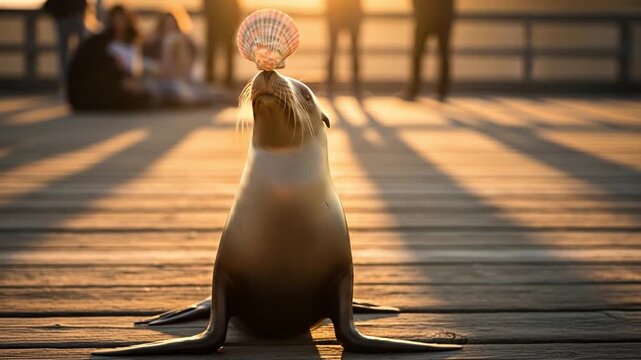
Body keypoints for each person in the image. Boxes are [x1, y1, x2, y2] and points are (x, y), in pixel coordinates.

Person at [67, 5, 151, 110]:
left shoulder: (131, 45)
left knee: (144, 98)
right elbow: (103, 69)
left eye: (122, 19)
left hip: (100, 89)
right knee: (140, 101)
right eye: (116, 19)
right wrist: (122, 79)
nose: (119, 23)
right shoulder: (101, 43)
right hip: (88, 94)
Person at [145, 5, 216, 106]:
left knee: (208, 91)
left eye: (172, 25)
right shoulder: (154, 41)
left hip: (181, 78)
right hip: (164, 80)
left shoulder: (181, 40)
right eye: (166, 25)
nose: (169, 28)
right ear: (161, 26)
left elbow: (191, 60)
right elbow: (149, 65)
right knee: (183, 92)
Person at [404, 0, 454, 102]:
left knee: (419, 54)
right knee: (441, 54)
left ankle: (414, 90)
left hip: (427, 16)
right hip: (440, 16)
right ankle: (441, 91)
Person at [41, 0, 87, 89]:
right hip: (66, 18)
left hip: (66, 18)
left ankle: (71, 83)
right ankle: (70, 84)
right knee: (65, 54)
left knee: (69, 54)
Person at [326, 0, 362, 97]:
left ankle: (330, 86)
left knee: (333, 50)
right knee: (353, 50)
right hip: (350, 12)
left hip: (336, 12)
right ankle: (356, 87)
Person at [202, 0, 240, 87]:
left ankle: (227, 79)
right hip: (217, 26)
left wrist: (234, 24)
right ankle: (211, 78)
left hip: (225, 26)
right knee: (213, 53)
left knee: (226, 54)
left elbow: (235, 9)